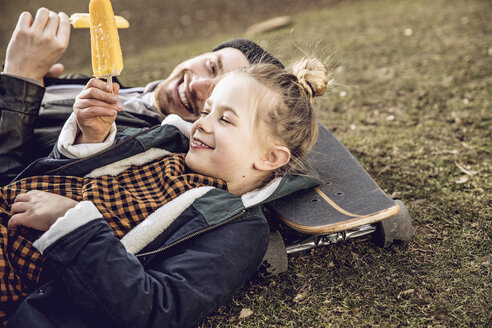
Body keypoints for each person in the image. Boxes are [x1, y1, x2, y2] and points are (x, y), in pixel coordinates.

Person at [1, 54, 328, 327]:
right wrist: (91, 139)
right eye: (205, 111)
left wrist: (69, 222)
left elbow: (155, 310)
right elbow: (63, 177)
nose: (202, 123)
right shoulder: (164, 144)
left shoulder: (240, 228)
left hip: (20, 284)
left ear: (270, 157)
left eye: (225, 120)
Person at [0, 8, 284, 186]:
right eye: (211, 66)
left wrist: (20, 78)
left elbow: (13, 191)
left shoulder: (130, 143)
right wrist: (36, 84)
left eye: (221, 93)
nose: (198, 85)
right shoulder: (115, 87)